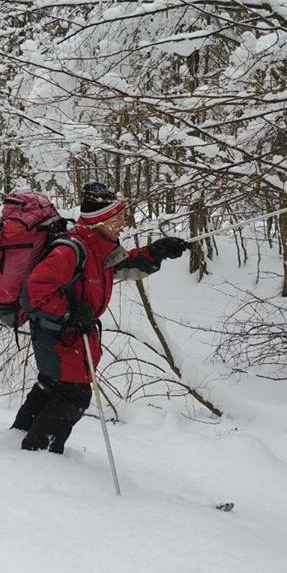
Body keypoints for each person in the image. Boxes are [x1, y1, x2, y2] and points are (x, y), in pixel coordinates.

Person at [11, 182, 190, 453]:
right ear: (100, 222)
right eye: (117, 219)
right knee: (74, 394)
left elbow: (119, 267)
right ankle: (37, 455)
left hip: (64, 335)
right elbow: (34, 293)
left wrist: (154, 253)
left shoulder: (99, 248)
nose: (123, 224)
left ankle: (18, 441)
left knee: (52, 386)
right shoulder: (71, 250)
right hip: (58, 335)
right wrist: (70, 313)